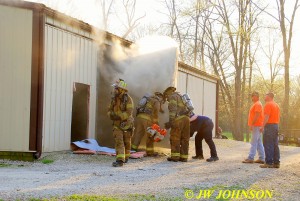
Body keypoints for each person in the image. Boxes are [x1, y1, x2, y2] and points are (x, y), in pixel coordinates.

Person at [107, 79, 134, 167]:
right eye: (115, 88)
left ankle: (125, 157)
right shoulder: (113, 99)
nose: (115, 90)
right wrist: (111, 115)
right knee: (119, 141)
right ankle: (120, 160)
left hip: (127, 124)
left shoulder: (128, 99)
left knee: (127, 142)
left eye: (116, 88)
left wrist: (120, 116)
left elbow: (129, 112)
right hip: (117, 124)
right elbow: (109, 110)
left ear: (122, 89)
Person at [131, 92, 164, 156]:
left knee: (138, 134)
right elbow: (156, 113)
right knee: (150, 135)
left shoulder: (148, 99)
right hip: (147, 119)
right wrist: (156, 123)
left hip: (139, 117)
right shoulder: (156, 101)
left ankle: (133, 149)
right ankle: (150, 152)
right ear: (160, 97)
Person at [163, 87, 190, 162]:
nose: (166, 98)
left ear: (168, 93)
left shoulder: (172, 97)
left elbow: (172, 110)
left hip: (178, 119)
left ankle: (175, 157)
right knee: (185, 138)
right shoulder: (181, 97)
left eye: (166, 95)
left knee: (175, 138)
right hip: (186, 119)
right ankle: (184, 157)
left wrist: (170, 122)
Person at [242, 92, 265, 164]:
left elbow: (257, 115)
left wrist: (252, 124)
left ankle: (250, 158)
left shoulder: (258, 104)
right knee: (258, 142)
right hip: (258, 125)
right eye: (251, 96)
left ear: (257, 96)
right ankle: (262, 158)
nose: (252, 98)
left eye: (253, 96)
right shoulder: (257, 104)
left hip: (256, 125)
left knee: (253, 142)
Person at [260, 92, 280, 168]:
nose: (264, 96)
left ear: (269, 96)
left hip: (269, 126)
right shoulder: (276, 105)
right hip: (276, 125)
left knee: (268, 144)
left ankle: (268, 162)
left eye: (266, 95)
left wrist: (262, 126)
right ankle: (276, 162)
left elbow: (266, 117)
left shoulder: (268, 104)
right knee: (275, 144)